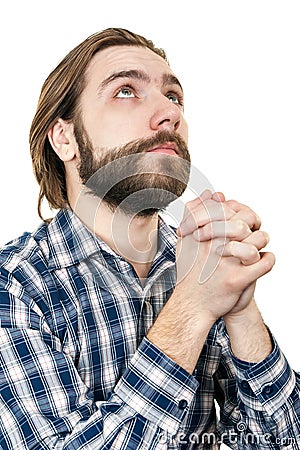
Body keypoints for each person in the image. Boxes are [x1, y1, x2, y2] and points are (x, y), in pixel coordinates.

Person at [0, 27, 298, 450]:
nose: (169, 114)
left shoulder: (198, 263)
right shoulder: (13, 288)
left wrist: (241, 308)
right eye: (125, 91)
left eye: (174, 97)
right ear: (64, 138)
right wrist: (193, 306)